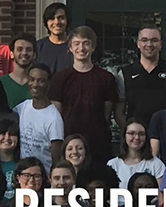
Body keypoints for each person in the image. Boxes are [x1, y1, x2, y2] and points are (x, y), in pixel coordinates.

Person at [50, 26, 119, 165]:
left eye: (86, 43)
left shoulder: (106, 78)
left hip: (98, 142)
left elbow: (107, 114)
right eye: (76, 44)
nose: (81, 48)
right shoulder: (60, 78)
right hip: (69, 143)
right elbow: (56, 114)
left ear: (93, 47)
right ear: (70, 48)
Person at [116, 27, 166, 129]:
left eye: (154, 40)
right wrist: (130, 132)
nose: (149, 44)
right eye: (144, 40)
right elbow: (118, 112)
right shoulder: (125, 74)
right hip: (137, 138)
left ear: (160, 44)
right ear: (138, 44)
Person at [15, 64, 64, 174]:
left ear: (48, 84)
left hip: (44, 178)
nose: (35, 85)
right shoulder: (22, 107)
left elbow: (56, 158)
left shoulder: (54, 119)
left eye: (41, 81)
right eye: (32, 79)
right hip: (24, 176)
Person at [107, 120, 165, 190]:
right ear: (124, 136)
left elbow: (160, 194)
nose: (137, 137)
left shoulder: (156, 164)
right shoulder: (113, 164)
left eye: (141, 134)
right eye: (131, 133)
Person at [36, 2, 73, 74]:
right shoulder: (38, 47)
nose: (56, 22)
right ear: (46, 22)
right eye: (51, 18)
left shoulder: (76, 47)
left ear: (67, 21)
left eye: (61, 18)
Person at [0, 34, 35, 108]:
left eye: (28, 50)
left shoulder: (39, 84)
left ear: (34, 55)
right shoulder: (0, 83)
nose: (24, 53)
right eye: (20, 49)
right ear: (12, 54)